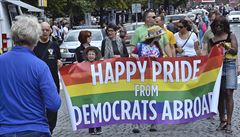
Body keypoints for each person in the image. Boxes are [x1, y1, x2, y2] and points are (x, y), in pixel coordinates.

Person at [0, 15, 61, 136]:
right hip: (35, 128)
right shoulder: (40, 66)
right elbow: (54, 104)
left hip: (5, 129)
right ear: (36, 38)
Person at [130, 26, 166, 133]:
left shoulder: (158, 49)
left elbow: (162, 61)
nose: (160, 38)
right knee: (139, 100)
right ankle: (136, 123)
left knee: (153, 99)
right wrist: (135, 57)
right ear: (154, 37)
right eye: (158, 36)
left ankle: (153, 122)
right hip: (140, 77)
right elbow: (132, 55)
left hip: (153, 78)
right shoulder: (140, 46)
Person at [207, 16, 238, 133]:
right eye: (216, 26)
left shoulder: (231, 36)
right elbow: (209, 56)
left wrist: (226, 46)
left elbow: (235, 50)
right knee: (219, 95)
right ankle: (222, 120)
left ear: (225, 26)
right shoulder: (211, 40)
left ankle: (229, 123)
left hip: (229, 65)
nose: (218, 28)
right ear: (213, 27)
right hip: (216, 67)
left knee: (229, 93)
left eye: (221, 25)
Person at [33, 22, 63, 134]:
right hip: (37, 82)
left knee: (52, 107)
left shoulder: (54, 45)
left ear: (51, 31)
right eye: (43, 30)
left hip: (52, 81)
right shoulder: (34, 45)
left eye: (47, 30)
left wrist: (60, 63)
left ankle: (50, 129)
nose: (45, 32)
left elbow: (59, 60)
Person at [83, 46, 103, 135]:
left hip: (97, 90)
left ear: (96, 55)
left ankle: (98, 127)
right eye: (89, 54)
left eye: (92, 54)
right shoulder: (83, 64)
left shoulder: (99, 64)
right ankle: (91, 128)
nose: (91, 56)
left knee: (97, 109)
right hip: (87, 91)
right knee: (89, 109)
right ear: (86, 55)